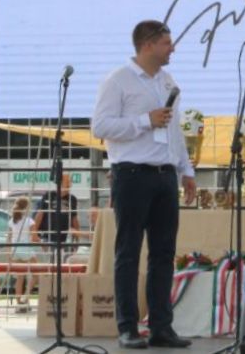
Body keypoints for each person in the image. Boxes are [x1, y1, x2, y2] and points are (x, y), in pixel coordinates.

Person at [92, 20, 197, 350]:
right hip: (132, 174)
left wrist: (186, 170)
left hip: (165, 175)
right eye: (166, 43)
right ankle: (127, 327)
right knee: (128, 252)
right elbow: (100, 127)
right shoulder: (118, 80)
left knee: (164, 253)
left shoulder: (167, 80)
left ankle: (161, 327)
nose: (172, 48)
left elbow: (173, 129)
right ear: (147, 44)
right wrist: (144, 121)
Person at [31, 172, 81, 257]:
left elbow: (74, 218)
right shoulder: (49, 195)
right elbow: (40, 215)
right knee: (49, 260)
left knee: (63, 260)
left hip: (64, 238)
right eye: (67, 181)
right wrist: (34, 234)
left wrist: (77, 238)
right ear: (60, 183)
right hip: (47, 237)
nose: (70, 184)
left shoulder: (72, 199)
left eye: (70, 182)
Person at [7, 195, 40, 312]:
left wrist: (9, 253)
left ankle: (19, 303)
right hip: (26, 250)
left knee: (20, 277)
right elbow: (34, 237)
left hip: (15, 250)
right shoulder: (29, 221)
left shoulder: (11, 221)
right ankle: (25, 297)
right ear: (26, 208)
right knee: (36, 274)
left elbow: (9, 238)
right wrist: (41, 241)